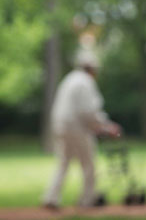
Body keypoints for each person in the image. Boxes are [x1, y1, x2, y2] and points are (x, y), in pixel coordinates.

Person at [42, 49, 122, 210]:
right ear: (92, 69)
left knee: (63, 162)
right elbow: (89, 111)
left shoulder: (70, 79)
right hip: (77, 128)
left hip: (60, 126)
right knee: (89, 164)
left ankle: (51, 197)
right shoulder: (86, 82)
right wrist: (106, 126)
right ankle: (87, 200)